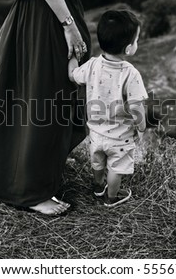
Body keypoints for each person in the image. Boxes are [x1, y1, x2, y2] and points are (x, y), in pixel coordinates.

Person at [0, 0, 90, 216]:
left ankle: (38, 170)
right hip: (45, 13)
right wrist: (68, 24)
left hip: (54, 7)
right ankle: (28, 191)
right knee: (43, 96)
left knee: (50, 95)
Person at [68, 10, 148, 207]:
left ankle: (97, 186)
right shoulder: (131, 74)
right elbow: (137, 107)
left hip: (95, 131)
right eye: (136, 40)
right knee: (116, 168)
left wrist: (71, 57)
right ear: (129, 49)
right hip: (120, 136)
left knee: (98, 161)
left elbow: (73, 76)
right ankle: (111, 198)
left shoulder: (92, 65)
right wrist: (142, 127)